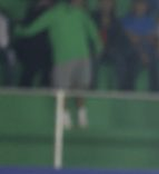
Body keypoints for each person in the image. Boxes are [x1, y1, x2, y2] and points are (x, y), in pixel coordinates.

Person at [15, 0, 102, 128]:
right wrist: (20, 30)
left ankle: (81, 117)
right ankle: (65, 118)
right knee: (62, 91)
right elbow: (33, 28)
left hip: (81, 57)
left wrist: (98, 46)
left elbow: (92, 30)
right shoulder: (53, 14)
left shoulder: (79, 13)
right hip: (64, 59)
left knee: (80, 89)